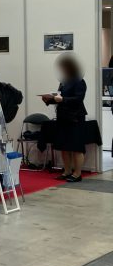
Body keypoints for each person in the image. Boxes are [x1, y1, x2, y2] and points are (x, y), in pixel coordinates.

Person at [42, 54, 87, 182]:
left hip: (75, 117)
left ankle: (77, 174)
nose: (62, 70)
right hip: (63, 117)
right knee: (64, 146)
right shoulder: (64, 82)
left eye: (63, 68)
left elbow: (78, 99)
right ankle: (67, 171)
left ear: (70, 67)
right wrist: (49, 100)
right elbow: (60, 97)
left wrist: (62, 99)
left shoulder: (80, 81)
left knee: (76, 147)